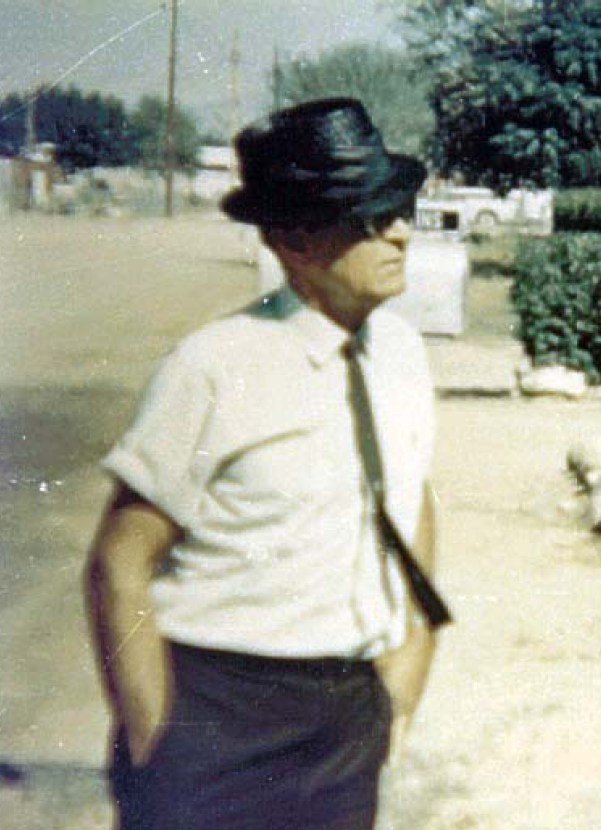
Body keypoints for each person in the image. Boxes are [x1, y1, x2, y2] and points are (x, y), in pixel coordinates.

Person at [84, 98, 448, 830]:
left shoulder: (402, 355)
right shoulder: (215, 367)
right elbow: (120, 560)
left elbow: (414, 500)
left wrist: (406, 674)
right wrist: (156, 737)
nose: (401, 232)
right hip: (217, 714)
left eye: (399, 211)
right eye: (368, 218)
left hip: (346, 715)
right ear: (293, 240)